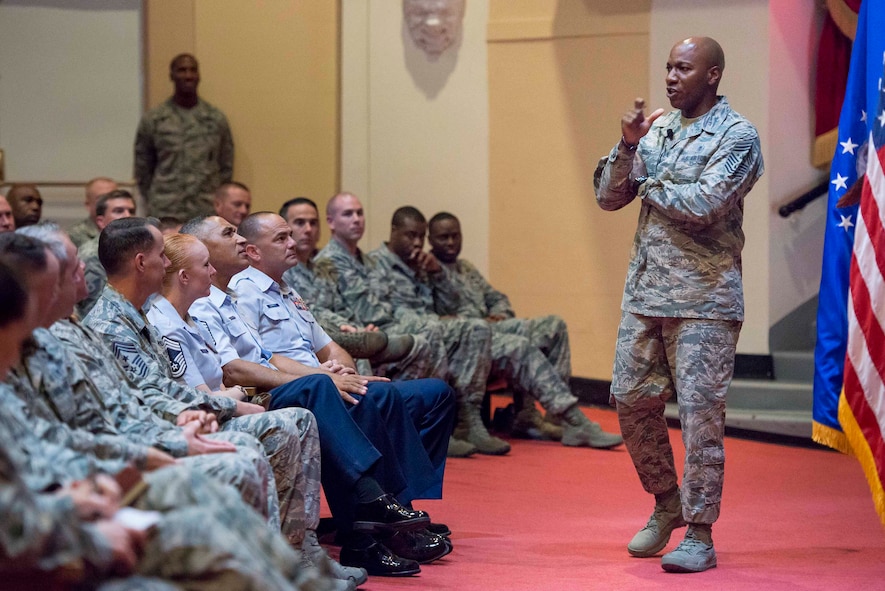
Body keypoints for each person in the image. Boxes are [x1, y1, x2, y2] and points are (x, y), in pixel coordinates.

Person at [0, 240, 345, 591]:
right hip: (82, 489)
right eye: (61, 275)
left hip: (99, 468)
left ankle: (298, 569)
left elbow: (121, 403)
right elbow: (60, 443)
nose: (76, 276)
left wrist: (181, 424)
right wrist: (165, 440)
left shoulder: (74, 331)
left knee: (257, 444)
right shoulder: (91, 328)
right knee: (222, 472)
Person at [594, 36, 764, 573]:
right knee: (629, 400)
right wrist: (626, 147)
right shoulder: (658, 129)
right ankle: (666, 502)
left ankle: (700, 531)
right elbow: (608, 195)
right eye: (668, 67)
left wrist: (648, 177)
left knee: (699, 419)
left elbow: (706, 204)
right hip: (646, 297)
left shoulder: (737, 136)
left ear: (712, 75)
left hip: (704, 301)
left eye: (683, 68)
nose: (670, 77)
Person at [316, 192, 505, 456]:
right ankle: (428, 424)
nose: (357, 220)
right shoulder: (327, 263)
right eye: (348, 214)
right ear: (331, 221)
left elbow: (398, 303)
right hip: (362, 333)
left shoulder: (368, 261)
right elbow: (335, 309)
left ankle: (462, 419)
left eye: (360, 213)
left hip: (386, 327)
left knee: (471, 328)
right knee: (428, 332)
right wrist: (352, 327)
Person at [427, 211, 623, 447]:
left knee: (553, 326)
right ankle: (573, 418)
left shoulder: (465, 268)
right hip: (468, 342)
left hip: (492, 328)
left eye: (455, 236)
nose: (450, 242)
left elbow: (496, 297)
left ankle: (538, 417)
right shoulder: (427, 269)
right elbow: (434, 315)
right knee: (521, 346)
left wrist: (501, 315)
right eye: (443, 237)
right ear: (430, 239)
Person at [280, 197, 440, 379]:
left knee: (422, 341)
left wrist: (360, 326)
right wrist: (347, 325)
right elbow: (305, 311)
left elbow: (344, 306)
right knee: (361, 351)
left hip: (353, 330)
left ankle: (410, 401)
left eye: (313, 223)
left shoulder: (323, 269)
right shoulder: (282, 270)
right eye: (300, 223)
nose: (308, 230)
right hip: (318, 340)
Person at [134, 53, 233, 220]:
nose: (188, 75)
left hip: (205, 206)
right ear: (171, 75)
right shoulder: (155, 119)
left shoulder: (215, 119)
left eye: (193, 70)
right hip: (166, 208)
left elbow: (226, 164)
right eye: (182, 70)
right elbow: (143, 166)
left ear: (199, 75)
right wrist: (157, 196)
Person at [77, 190, 139, 317]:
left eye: (131, 211)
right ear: (101, 221)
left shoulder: (134, 251)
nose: (127, 215)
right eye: (119, 211)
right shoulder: (92, 256)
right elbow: (94, 312)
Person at [69, 177, 119, 247]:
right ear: (88, 205)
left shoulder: (129, 232)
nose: (109, 203)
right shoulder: (74, 235)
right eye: (102, 198)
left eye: (114, 197)